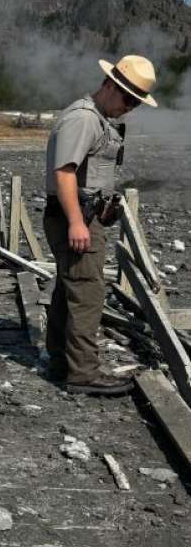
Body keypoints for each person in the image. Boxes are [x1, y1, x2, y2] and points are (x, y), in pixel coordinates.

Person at [44, 54, 157, 397]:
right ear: (110, 85)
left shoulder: (98, 119)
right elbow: (64, 172)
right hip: (74, 217)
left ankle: (63, 362)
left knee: (71, 289)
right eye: (128, 98)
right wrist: (77, 221)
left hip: (83, 215)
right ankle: (83, 374)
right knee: (88, 292)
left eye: (136, 102)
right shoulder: (84, 119)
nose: (130, 107)